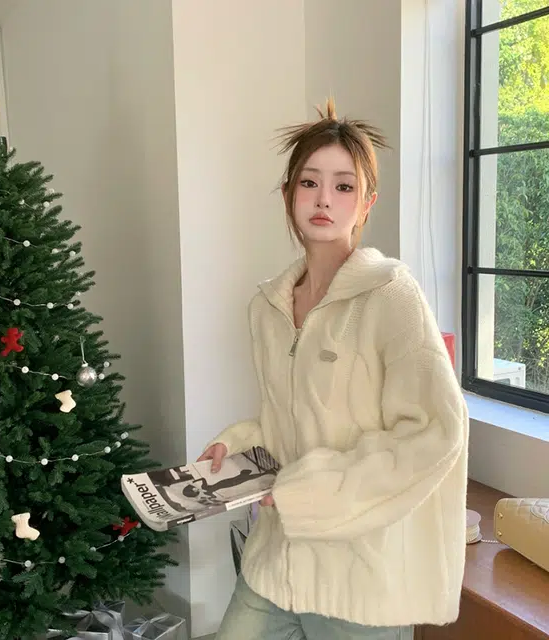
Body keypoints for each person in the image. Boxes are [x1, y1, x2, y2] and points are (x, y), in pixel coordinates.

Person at [198, 98, 469, 640]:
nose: (324, 199)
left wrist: (311, 495)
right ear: (288, 194)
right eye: (310, 182)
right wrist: (239, 445)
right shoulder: (267, 307)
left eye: (344, 186)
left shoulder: (391, 296)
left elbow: (436, 432)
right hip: (277, 559)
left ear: (367, 203)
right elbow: (289, 422)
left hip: (359, 576)